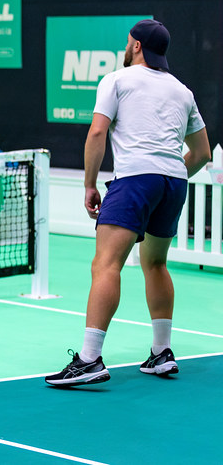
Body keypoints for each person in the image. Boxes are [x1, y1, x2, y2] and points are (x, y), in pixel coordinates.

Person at [45, 19, 210, 387]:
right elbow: (201, 153)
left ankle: (89, 359)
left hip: (134, 179)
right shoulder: (183, 91)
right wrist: (169, 171)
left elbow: (98, 131)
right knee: (155, 263)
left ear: (136, 46)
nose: (125, 46)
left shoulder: (116, 80)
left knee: (105, 264)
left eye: (127, 41)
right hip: (173, 182)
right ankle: (161, 353)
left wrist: (89, 184)